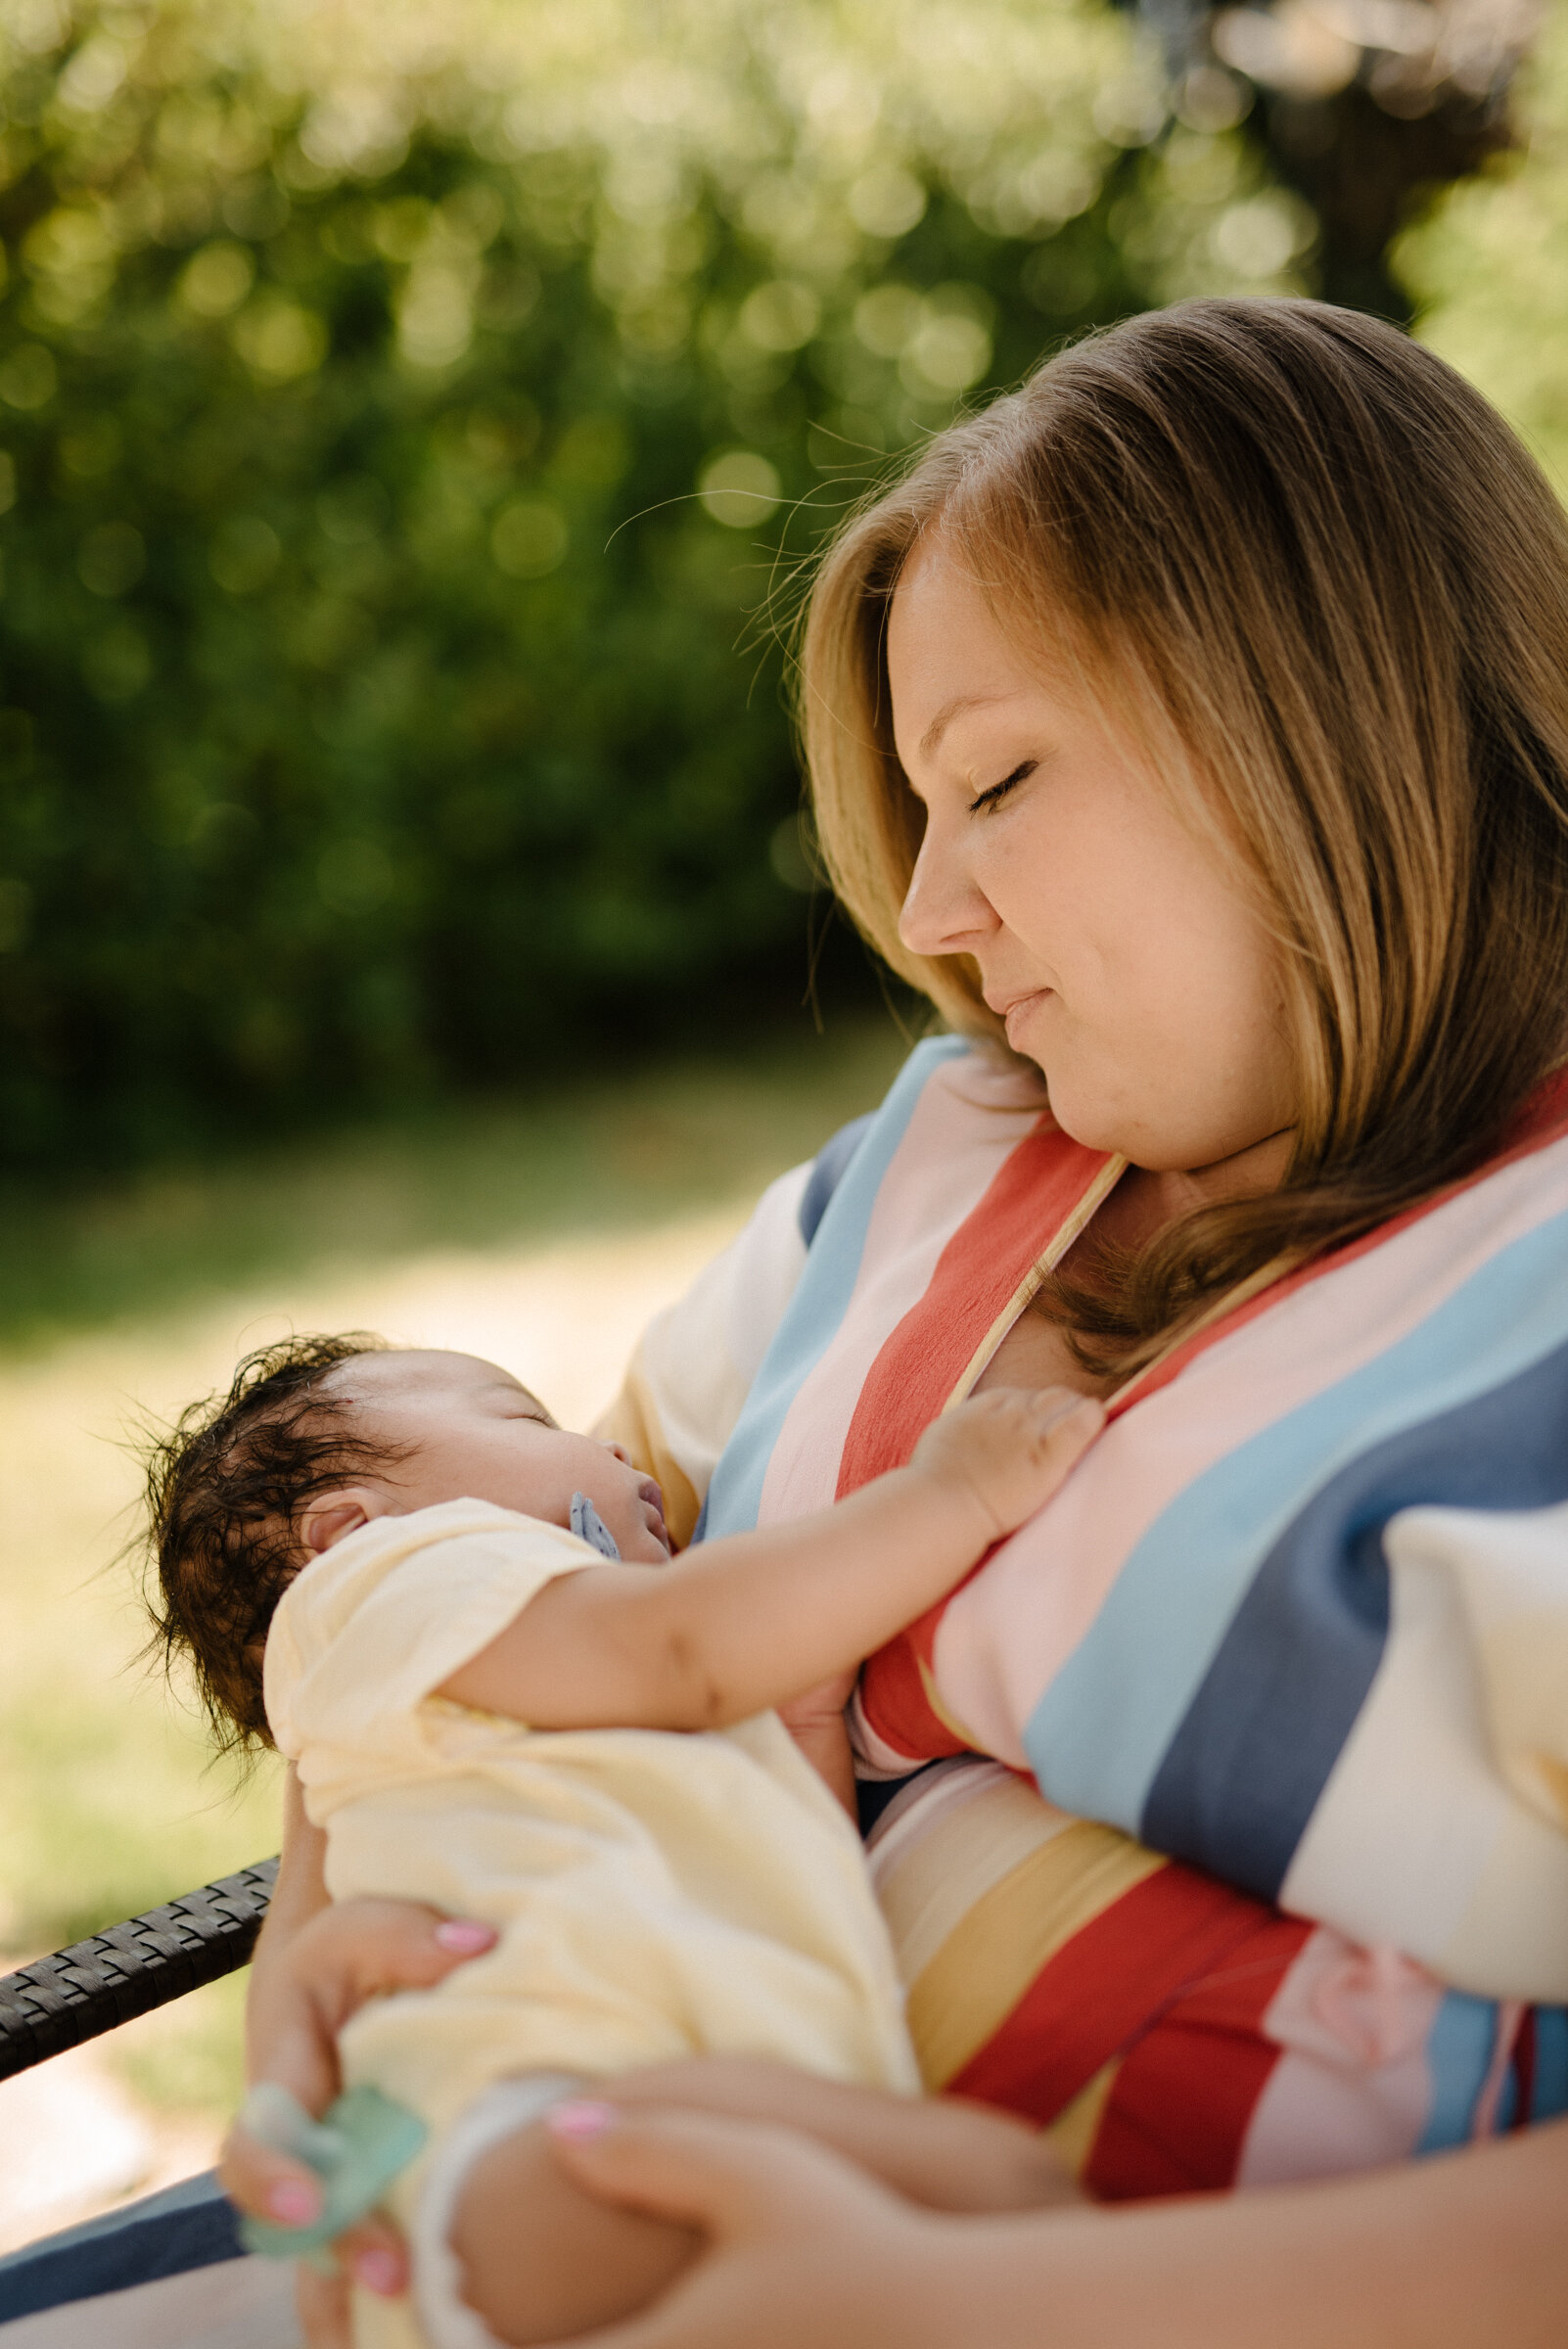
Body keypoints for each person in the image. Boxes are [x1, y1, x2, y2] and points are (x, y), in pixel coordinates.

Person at [223, 297, 1568, 2345]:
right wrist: (308, 1986)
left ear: (1319, 717)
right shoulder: (931, 1159)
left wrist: (970, 2309)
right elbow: (478, 1586)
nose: (932, 914)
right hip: (555, 2198)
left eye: (999, 777)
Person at [148, 1335, 1098, 2345]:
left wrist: (808, 1724)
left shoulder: (497, 1711)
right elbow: (681, 1646)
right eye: (529, 1424)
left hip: (544, 2172)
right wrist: (952, 1495)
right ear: (345, 1528)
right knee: (1007, 2195)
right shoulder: (382, 1581)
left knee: (1004, 2194)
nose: (618, 1456)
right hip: (552, 2127)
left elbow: (772, 1867)